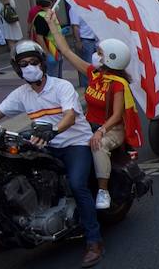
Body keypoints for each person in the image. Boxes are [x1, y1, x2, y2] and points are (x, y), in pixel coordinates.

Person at [0, 41, 105, 266]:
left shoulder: (61, 87)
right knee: (7, 178)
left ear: (42, 64)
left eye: (34, 62)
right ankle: (6, 234)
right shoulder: (21, 94)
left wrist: (54, 130)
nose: (30, 67)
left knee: (78, 185)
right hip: (43, 146)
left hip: (74, 143)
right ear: (18, 69)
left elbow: (69, 116)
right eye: (24, 64)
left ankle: (93, 240)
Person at [44, 12, 140, 210]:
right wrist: (53, 25)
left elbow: (115, 116)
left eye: (100, 53)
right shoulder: (94, 74)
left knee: (98, 146)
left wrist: (100, 131)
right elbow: (66, 52)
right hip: (89, 125)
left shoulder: (118, 84)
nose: (96, 55)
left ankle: (103, 190)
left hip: (111, 129)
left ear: (111, 59)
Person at [67, 1, 98, 88]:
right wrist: (78, 41)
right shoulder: (74, 9)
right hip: (85, 40)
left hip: (94, 40)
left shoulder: (88, 7)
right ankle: (87, 87)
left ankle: (93, 85)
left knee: (95, 65)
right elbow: (75, 26)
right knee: (86, 66)